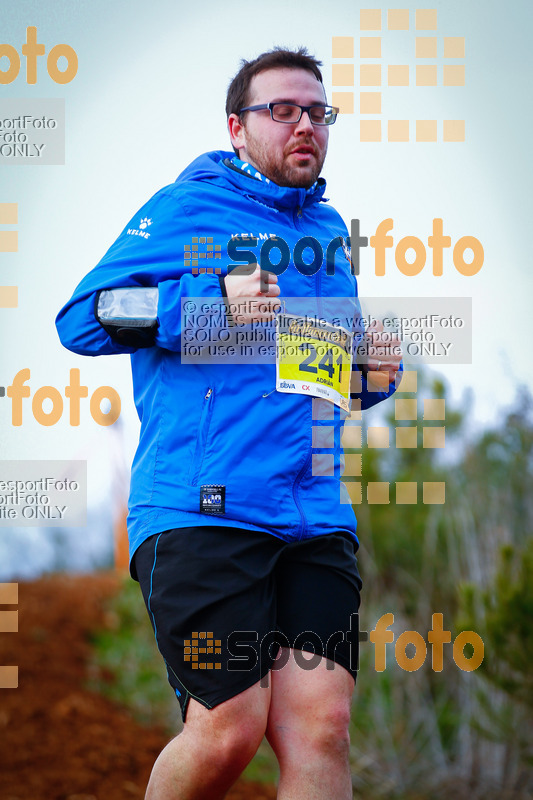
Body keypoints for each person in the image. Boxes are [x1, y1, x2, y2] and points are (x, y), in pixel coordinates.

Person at [56, 47, 402, 800]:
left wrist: (371, 376)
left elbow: (312, 377)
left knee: (322, 730)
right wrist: (209, 297)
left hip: (312, 516)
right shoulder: (188, 208)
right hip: (202, 510)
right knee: (229, 728)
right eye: (281, 110)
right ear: (236, 128)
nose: (303, 124)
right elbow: (81, 319)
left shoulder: (328, 236)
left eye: (317, 111)